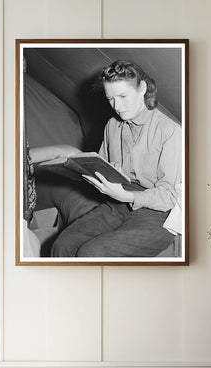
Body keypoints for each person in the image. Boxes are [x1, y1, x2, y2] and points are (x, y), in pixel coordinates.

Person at [51, 60, 182, 257]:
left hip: (157, 216)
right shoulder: (112, 125)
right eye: (110, 99)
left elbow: (170, 197)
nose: (117, 106)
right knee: (63, 244)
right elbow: (103, 166)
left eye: (122, 96)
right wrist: (83, 172)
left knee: (92, 252)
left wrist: (128, 196)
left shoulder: (169, 131)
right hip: (116, 205)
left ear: (142, 89)